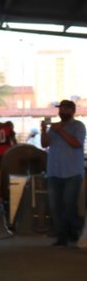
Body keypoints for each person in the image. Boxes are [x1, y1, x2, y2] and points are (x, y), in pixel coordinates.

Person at [40, 99, 85, 246]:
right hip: (54, 172)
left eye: (65, 109)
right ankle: (62, 237)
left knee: (69, 205)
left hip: (72, 173)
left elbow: (76, 144)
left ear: (72, 111)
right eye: (61, 109)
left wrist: (60, 130)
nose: (62, 111)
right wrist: (43, 131)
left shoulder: (78, 126)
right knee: (55, 207)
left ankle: (76, 233)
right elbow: (45, 144)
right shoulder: (53, 128)